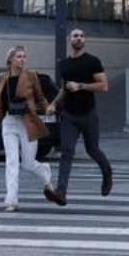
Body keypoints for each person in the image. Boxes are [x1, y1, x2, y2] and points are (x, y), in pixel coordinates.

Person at [46, 28, 113, 205]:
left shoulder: (92, 61)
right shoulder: (64, 64)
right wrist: (53, 104)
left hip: (88, 114)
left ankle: (107, 171)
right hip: (69, 115)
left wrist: (81, 86)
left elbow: (103, 86)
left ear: (85, 40)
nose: (79, 38)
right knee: (66, 152)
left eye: (82, 36)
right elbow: (64, 88)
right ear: (70, 39)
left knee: (93, 150)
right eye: (75, 36)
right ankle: (61, 192)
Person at [0, 46, 60, 212]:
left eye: (24, 57)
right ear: (11, 60)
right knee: (11, 162)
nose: (22, 59)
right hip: (8, 122)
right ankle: (11, 200)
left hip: (27, 122)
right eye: (19, 57)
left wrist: (48, 108)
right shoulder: (2, 77)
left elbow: (40, 96)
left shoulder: (31, 75)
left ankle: (45, 172)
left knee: (28, 163)